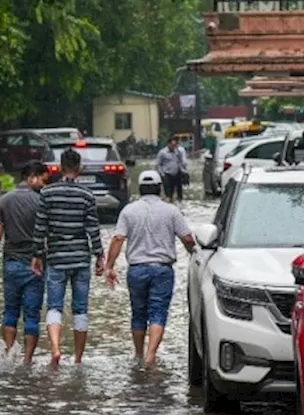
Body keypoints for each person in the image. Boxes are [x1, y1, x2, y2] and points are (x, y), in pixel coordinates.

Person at [105, 170, 196, 367]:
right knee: (158, 312)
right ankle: (151, 355)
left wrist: (109, 267)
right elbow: (187, 238)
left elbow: (118, 239)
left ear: (140, 188)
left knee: (138, 313)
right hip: (162, 270)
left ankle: (138, 355)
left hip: (136, 270)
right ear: (160, 188)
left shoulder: (128, 211)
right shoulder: (171, 211)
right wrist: (196, 256)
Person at [31, 148, 103, 367]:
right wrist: (99, 255)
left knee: (54, 306)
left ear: (60, 168)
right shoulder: (87, 195)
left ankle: (55, 348)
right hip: (81, 259)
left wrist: (37, 254)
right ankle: (79, 359)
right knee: (80, 309)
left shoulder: (47, 194)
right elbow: (93, 228)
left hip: (56, 258)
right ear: (79, 169)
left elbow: (40, 226)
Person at [0, 161, 49, 364]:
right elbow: (49, 235)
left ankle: (10, 353)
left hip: (11, 264)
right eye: (43, 180)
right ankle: (27, 360)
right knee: (32, 315)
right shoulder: (42, 202)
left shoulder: (4, 201)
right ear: (32, 177)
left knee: (10, 311)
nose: (45, 186)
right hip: (35, 265)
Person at [156, 137, 189, 202]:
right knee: (168, 193)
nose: (174, 147)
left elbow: (180, 162)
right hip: (167, 175)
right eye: (173, 145)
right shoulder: (162, 153)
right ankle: (169, 202)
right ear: (168, 144)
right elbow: (158, 165)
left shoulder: (177, 152)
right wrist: (162, 174)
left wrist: (184, 172)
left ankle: (179, 204)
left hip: (177, 174)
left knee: (179, 192)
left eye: (175, 145)